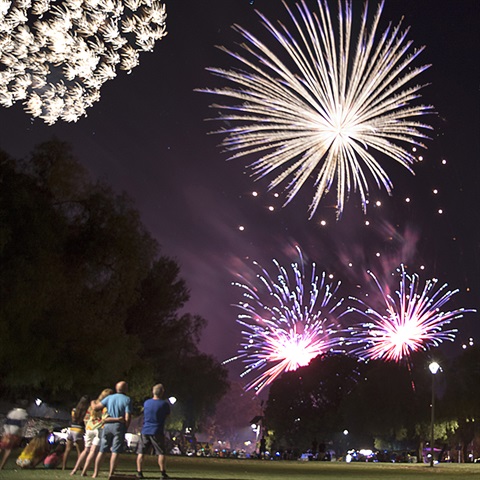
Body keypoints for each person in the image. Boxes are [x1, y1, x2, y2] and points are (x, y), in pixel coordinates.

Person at [92, 381, 131, 478]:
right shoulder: (127, 400)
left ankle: (95, 473)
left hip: (107, 425)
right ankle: (111, 473)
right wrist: (126, 426)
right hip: (119, 425)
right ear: (125, 389)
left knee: (102, 450)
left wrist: (92, 401)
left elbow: (96, 407)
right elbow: (127, 416)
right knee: (115, 451)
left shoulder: (109, 398)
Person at [70, 388, 113, 476]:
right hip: (98, 429)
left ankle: (74, 470)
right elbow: (105, 419)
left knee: (86, 450)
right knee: (93, 451)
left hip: (89, 428)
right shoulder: (105, 406)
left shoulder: (93, 404)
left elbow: (86, 416)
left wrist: (87, 426)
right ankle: (84, 471)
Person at [136, 383, 171, 479]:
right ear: (162, 392)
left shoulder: (147, 403)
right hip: (157, 430)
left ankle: (139, 472)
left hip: (145, 429)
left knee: (141, 452)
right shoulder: (164, 404)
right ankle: (163, 473)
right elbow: (167, 415)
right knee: (161, 452)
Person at [62, 395, 90, 470]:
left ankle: (64, 466)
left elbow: (73, 419)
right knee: (80, 451)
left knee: (67, 449)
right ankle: (79, 466)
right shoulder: (86, 411)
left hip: (71, 429)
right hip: (79, 430)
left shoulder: (74, 410)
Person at [0, 405, 28, 469]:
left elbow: (5, 424)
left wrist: (7, 432)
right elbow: (22, 427)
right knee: (8, 450)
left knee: (1, 448)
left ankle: (1, 466)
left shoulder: (11, 413)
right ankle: (1, 466)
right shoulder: (23, 415)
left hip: (7, 434)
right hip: (14, 434)